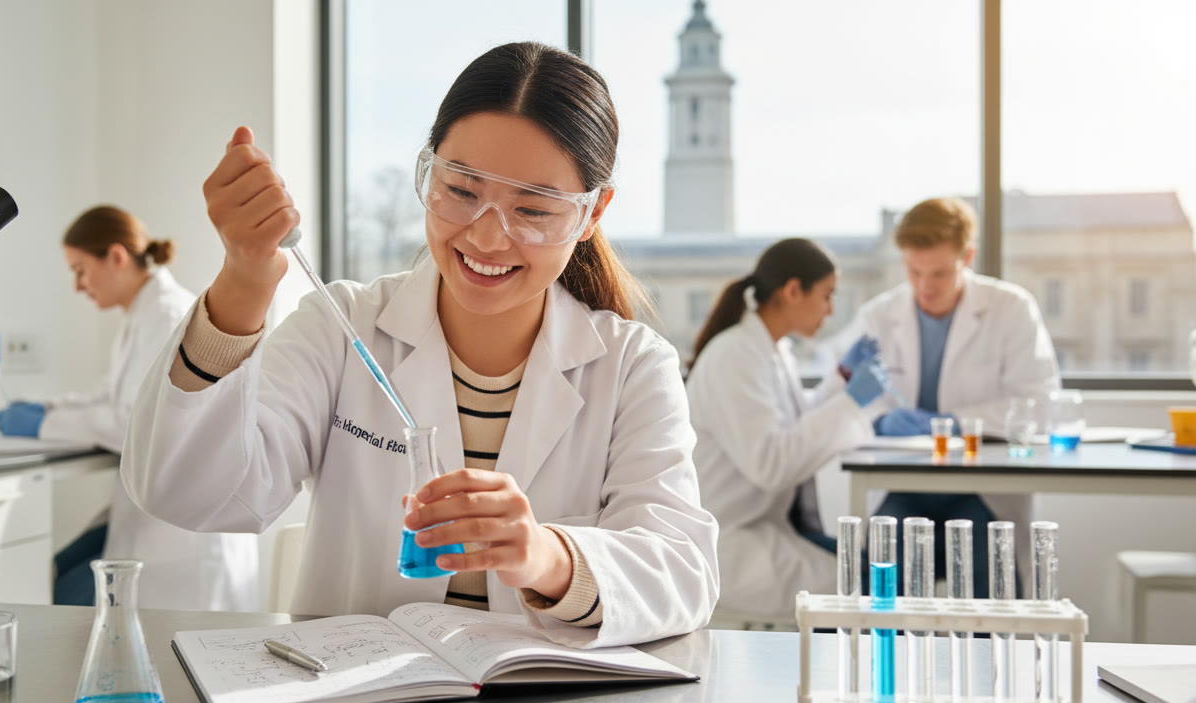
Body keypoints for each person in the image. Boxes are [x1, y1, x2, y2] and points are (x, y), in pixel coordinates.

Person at [121, 42, 719, 648]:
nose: (487, 237)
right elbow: (189, 493)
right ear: (428, 170)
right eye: (460, 191)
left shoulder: (631, 366)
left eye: (534, 209)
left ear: (592, 214)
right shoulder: (342, 326)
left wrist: (545, 557)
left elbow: (682, 571)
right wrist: (244, 282)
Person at [0, 206, 258, 611]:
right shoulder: (142, 315)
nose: (78, 285)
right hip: (157, 520)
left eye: (80, 269)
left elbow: (134, 423)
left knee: (179, 654)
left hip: (185, 535)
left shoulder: (167, 313)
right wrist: (46, 408)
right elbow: (112, 399)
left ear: (116, 257)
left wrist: (45, 424)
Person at [840, 197, 1060, 592]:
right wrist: (879, 419)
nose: (925, 286)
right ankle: (885, 655)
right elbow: (847, 393)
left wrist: (957, 424)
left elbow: (1038, 404)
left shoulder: (1011, 308)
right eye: (914, 271)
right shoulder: (879, 315)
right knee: (881, 571)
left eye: (939, 273)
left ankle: (988, 655)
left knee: (988, 577)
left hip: (981, 490)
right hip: (904, 483)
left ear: (968, 257)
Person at [684, 239, 889, 620]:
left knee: (871, 569)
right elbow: (772, 464)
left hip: (766, 527)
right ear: (793, 291)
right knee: (864, 587)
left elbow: (796, 426)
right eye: (827, 296)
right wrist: (850, 403)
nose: (830, 310)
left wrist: (843, 381)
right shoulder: (735, 355)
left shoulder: (773, 351)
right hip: (730, 543)